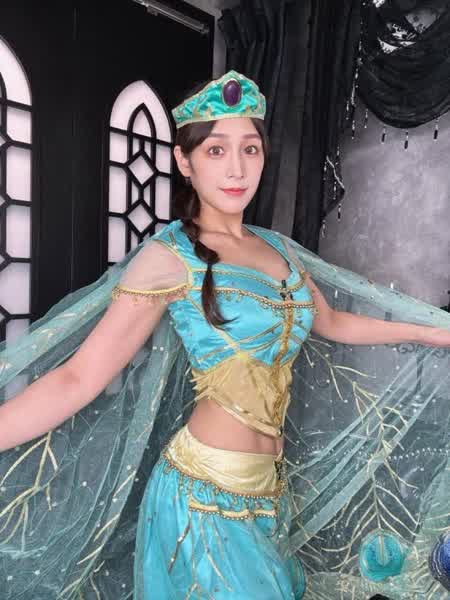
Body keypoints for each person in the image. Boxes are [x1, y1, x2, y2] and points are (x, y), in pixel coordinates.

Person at [0, 70, 449, 599]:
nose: (237, 169)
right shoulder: (169, 259)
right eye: (215, 151)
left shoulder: (277, 249)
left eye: (250, 149)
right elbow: (78, 378)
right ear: (183, 161)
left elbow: (331, 322)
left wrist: (432, 333)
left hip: (268, 493)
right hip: (204, 498)